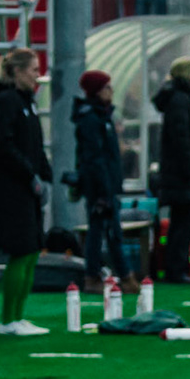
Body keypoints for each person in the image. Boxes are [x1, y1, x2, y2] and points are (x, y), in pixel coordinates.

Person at [0, 47, 53, 336]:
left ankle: (19, 316)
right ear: (18, 72)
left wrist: (44, 175)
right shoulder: (7, 101)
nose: (37, 75)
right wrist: (29, 174)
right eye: (33, 69)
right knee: (21, 252)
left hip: (28, 188)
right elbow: (2, 145)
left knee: (32, 252)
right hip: (11, 191)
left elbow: (35, 145)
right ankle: (8, 320)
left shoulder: (27, 102)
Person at [73, 70, 131, 292]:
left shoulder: (100, 115)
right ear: (97, 90)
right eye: (107, 87)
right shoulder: (92, 118)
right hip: (99, 185)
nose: (112, 91)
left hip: (103, 183)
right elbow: (95, 157)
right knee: (105, 231)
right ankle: (116, 276)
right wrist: (104, 188)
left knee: (104, 230)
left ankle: (106, 275)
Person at [152, 56, 190, 284]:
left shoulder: (176, 98)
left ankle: (176, 267)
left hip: (176, 171)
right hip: (181, 173)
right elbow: (181, 137)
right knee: (185, 221)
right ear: (186, 74)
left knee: (181, 220)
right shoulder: (180, 99)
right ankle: (176, 269)